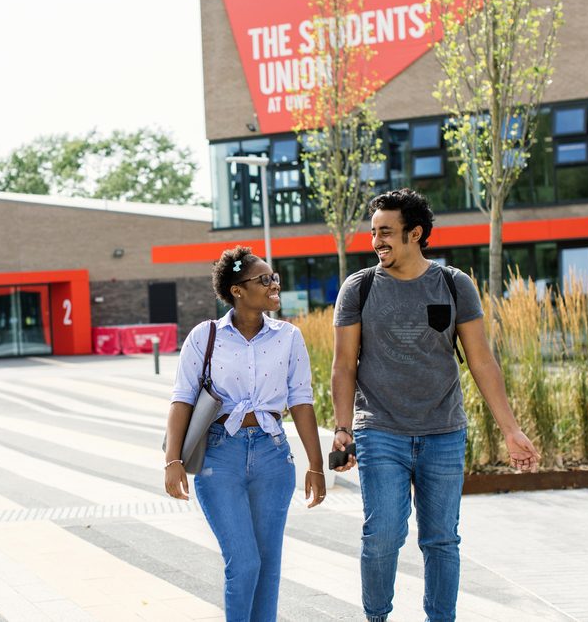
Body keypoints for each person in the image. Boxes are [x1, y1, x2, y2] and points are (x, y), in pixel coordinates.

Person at [330, 188, 540, 622]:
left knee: (442, 539)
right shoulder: (360, 287)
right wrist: (343, 429)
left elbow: (482, 361)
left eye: (386, 232)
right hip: (380, 429)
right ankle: (376, 617)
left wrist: (511, 430)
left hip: (444, 431)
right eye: (373, 233)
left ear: (416, 233)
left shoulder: (453, 283)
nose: (376, 241)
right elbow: (343, 366)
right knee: (383, 534)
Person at [165, 246, 326, 621]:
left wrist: (315, 465)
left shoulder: (289, 337)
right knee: (244, 562)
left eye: (275, 279)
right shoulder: (204, 337)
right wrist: (172, 460)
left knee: (268, 567)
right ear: (237, 290)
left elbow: (302, 402)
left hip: (273, 456)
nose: (274, 285)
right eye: (264, 279)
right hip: (220, 458)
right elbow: (181, 401)